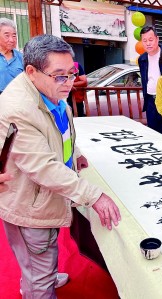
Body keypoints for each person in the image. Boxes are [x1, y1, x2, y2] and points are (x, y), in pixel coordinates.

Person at [0, 34, 121, 298]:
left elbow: (60, 131)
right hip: (29, 203)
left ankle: (44, 276)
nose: (68, 82)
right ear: (31, 72)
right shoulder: (18, 108)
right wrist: (94, 195)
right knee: (37, 259)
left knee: (44, 253)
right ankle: (38, 287)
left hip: (46, 196)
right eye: (59, 75)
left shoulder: (49, 89)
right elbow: (43, 167)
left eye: (71, 73)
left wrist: (74, 152)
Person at [138, 26, 162, 134]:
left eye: (150, 40)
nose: (148, 43)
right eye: (144, 41)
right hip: (150, 100)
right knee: (153, 133)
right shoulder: (142, 59)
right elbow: (144, 80)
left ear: (157, 39)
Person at [0, 18, 23, 94]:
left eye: (14, 36)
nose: (12, 40)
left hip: (17, 98)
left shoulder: (21, 58)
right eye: (7, 36)